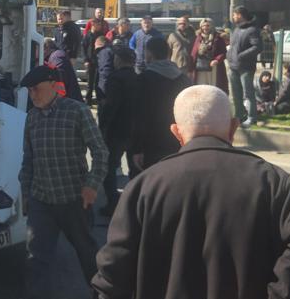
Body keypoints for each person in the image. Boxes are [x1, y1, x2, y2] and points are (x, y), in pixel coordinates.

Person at [93, 85, 290, 299]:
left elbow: (115, 263)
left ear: (176, 132)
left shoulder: (145, 186)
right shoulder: (273, 181)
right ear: (233, 128)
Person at [16, 65, 109, 299]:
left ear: (51, 85)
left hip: (73, 199)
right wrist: (25, 194)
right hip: (42, 200)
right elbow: (28, 161)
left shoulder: (76, 111)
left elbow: (101, 152)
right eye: (29, 91)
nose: (32, 95)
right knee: (36, 257)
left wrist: (92, 186)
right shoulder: (32, 118)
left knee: (87, 251)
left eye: (36, 89)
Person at [127, 37, 191, 176]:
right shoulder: (184, 79)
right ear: (168, 53)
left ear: (149, 53)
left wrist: (136, 148)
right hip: (177, 141)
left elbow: (139, 116)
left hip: (150, 144)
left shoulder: (144, 79)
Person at [97, 45, 137, 216]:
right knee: (135, 169)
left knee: (109, 168)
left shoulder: (115, 79)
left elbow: (110, 106)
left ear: (118, 60)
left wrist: (103, 127)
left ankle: (113, 203)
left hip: (117, 130)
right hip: (135, 129)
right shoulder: (138, 78)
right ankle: (135, 203)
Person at [228, 6, 263, 128]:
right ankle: (239, 115)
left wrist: (241, 55)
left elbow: (257, 47)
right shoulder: (236, 30)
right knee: (236, 93)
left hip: (246, 67)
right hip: (233, 66)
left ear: (241, 15)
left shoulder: (252, 30)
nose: (233, 17)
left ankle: (252, 117)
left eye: (235, 14)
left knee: (248, 93)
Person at [191, 18, 228, 91]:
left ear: (212, 26)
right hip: (200, 67)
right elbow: (193, 52)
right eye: (203, 26)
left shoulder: (218, 38)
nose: (205, 28)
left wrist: (217, 60)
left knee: (213, 87)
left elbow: (223, 52)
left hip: (214, 67)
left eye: (208, 25)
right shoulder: (197, 38)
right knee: (201, 87)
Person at [82, 19, 109, 104]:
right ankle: (88, 100)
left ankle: (98, 98)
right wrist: (86, 60)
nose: (100, 26)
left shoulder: (101, 35)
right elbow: (83, 48)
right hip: (90, 62)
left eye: (100, 24)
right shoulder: (87, 35)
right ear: (93, 24)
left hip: (99, 61)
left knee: (98, 82)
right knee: (90, 83)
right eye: (98, 24)